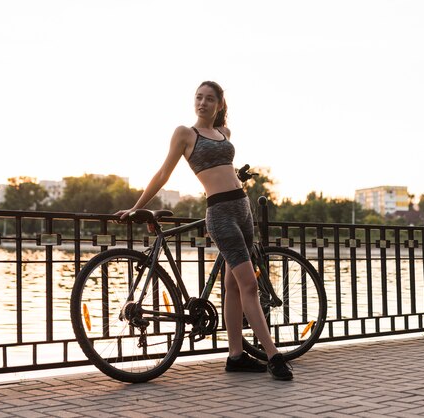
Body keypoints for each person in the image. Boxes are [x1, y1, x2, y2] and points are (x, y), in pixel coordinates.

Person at [115, 81, 293, 381]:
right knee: (250, 285)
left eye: (210, 99)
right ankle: (274, 356)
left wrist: (236, 177)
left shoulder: (225, 134)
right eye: (199, 97)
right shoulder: (185, 133)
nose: (203, 103)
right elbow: (163, 172)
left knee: (234, 286)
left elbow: (223, 169)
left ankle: (236, 356)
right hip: (220, 213)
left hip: (243, 210)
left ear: (220, 104)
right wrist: (136, 206)